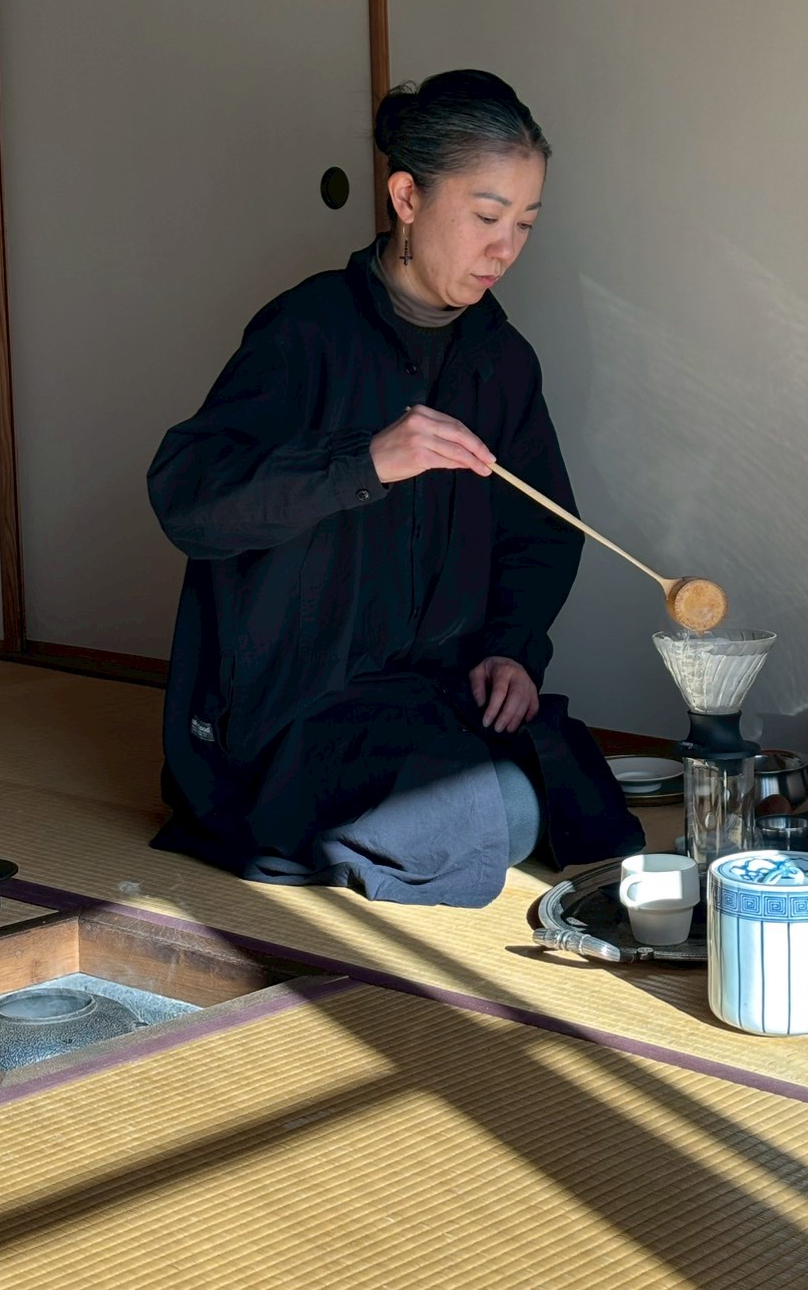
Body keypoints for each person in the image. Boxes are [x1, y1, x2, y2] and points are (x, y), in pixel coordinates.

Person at [147, 68, 644, 905]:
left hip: (435, 689)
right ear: (407, 196)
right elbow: (188, 496)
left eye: (525, 222)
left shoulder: (500, 358)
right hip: (298, 701)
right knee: (491, 819)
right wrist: (365, 460)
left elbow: (541, 532)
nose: (507, 248)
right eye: (486, 217)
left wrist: (510, 651)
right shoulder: (306, 331)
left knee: (573, 791)